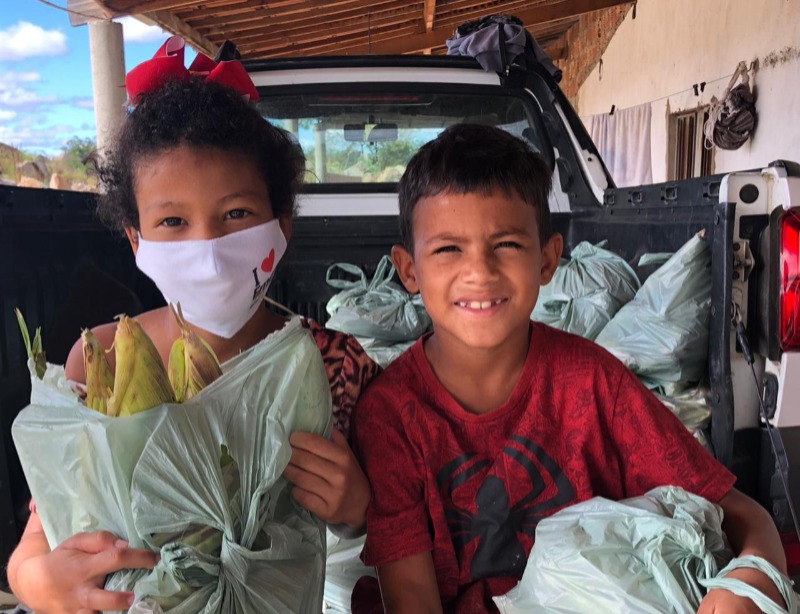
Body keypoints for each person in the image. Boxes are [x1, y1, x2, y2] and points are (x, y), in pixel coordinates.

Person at [351, 123, 788, 613]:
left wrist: (748, 580)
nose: (479, 271)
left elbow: (743, 515)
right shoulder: (391, 415)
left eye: (506, 244)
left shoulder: (594, 382)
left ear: (547, 260)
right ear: (408, 270)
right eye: (448, 249)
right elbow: (411, 598)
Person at [7, 39, 378, 613]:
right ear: (136, 241)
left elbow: (387, 530)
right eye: (173, 221)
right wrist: (36, 580)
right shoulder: (102, 360)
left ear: (281, 226)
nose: (208, 247)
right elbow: (44, 530)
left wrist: (356, 511)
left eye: (236, 214)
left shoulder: (336, 366)